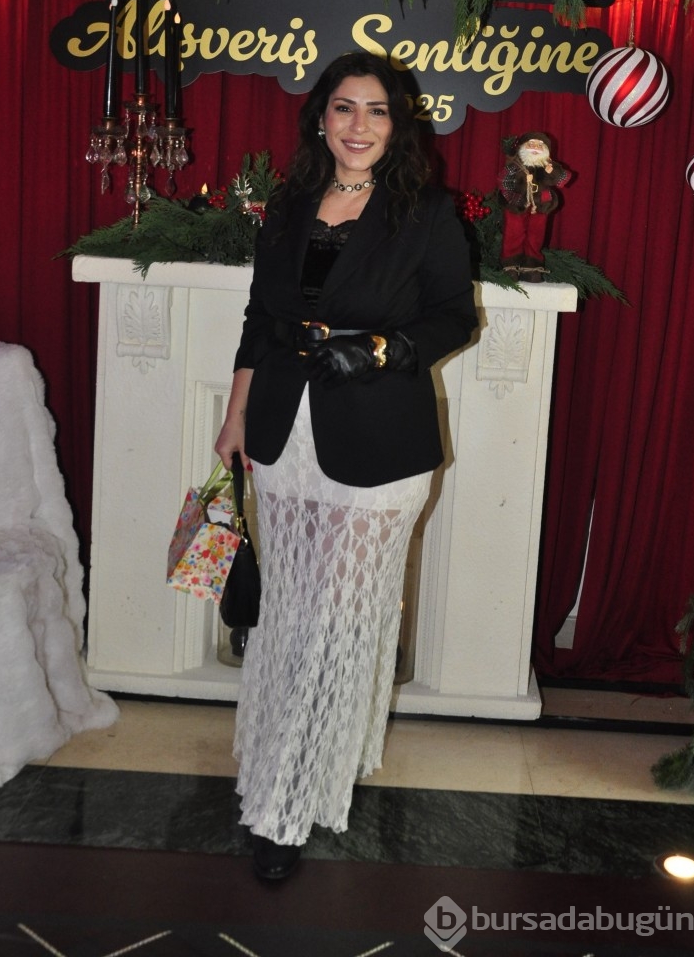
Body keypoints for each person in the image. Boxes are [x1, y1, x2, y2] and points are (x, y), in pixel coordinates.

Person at [214, 51, 478, 881]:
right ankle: (275, 760)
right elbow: (260, 316)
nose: (358, 125)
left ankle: (289, 806)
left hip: (380, 439)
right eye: (343, 107)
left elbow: (453, 318)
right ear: (321, 118)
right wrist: (235, 416)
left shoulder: (426, 212)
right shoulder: (289, 204)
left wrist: (386, 350)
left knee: (339, 619)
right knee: (291, 612)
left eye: (376, 110)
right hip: (282, 434)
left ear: (398, 125)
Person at [498, 132, 571, 282]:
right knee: (513, 234)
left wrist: (552, 171)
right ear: (523, 147)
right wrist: (513, 198)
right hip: (517, 204)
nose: (536, 148)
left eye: (540, 145)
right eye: (531, 144)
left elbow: (562, 180)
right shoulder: (515, 164)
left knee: (536, 235)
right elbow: (503, 182)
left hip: (540, 205)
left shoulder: (548, 165)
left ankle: (532, 265)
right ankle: (510, 264)